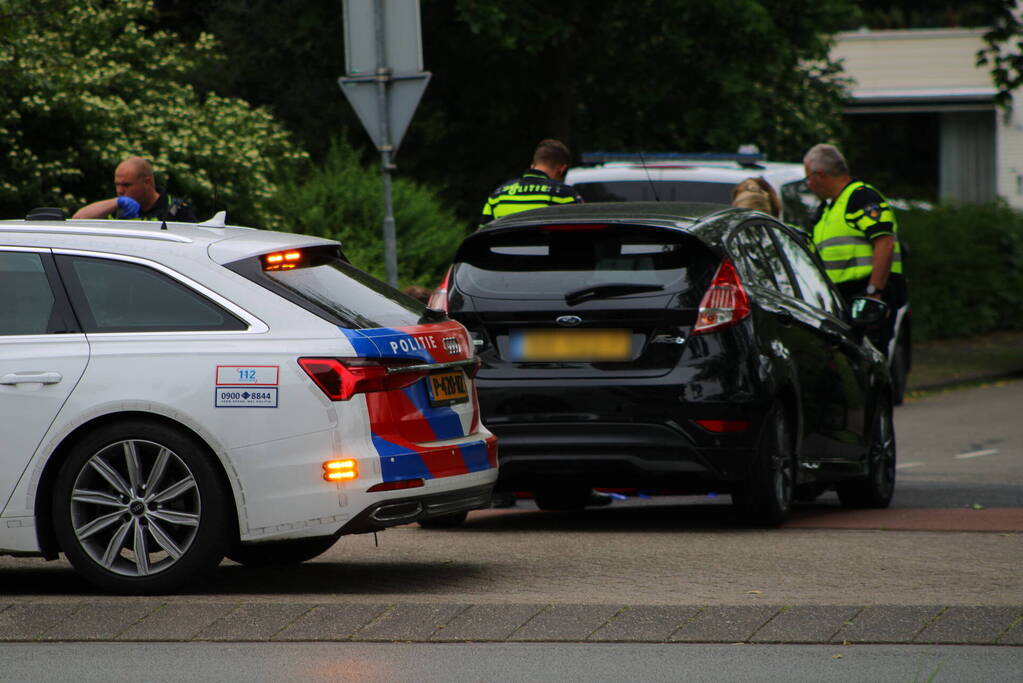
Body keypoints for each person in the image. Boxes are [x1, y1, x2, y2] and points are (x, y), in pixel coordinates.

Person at [803, 143, 907, 350]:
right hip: (843, 301)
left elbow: (884, 242)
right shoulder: (827, 209)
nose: (808, 185)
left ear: (820, 175)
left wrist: (873, 293)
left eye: (808, 178)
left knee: (870, 363)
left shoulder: (861, 198)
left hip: (865, 298)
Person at [479, 139, 583, 229]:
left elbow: (482, 235)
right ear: (562, 169)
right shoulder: (565, 195)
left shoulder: (497, 196)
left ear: (533, 165)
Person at [73, 157, 197, 222]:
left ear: (147, 182)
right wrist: (115, 203)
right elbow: (77, 220)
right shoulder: (117, 207)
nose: (120, 191)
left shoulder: (176, 210)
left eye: (126, 185)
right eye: (117, 184)